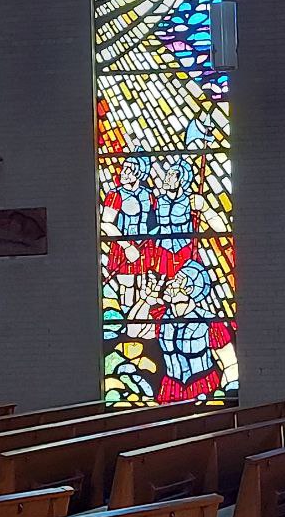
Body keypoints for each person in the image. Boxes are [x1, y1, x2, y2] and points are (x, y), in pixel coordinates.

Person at [130, 260, 237, 402]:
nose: (169, 284)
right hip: (170, 389)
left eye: (177, 281)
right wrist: (145, 301)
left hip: (204, 388)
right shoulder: (161, 317)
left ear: (190, 289)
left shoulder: (209, 322)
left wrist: (229, 392)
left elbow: (229, 363)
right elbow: (133, 331)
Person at [100, 153, 153, 307]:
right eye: (123, 168)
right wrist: (127, 246)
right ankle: (127, 314)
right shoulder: (115, 195)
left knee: (144, 285)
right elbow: (105, 223)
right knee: (127, 285)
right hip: (123, 246)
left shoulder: (148, 195)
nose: (123, 173)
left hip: (145, 246)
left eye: (128, 169)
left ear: (139, 173)